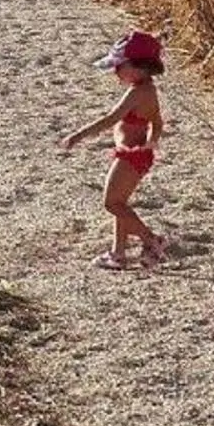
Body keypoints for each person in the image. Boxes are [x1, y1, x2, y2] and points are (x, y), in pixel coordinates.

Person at [59, 30, 168, 269]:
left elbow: (111, 118)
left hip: (130, 156)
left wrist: (78, 135)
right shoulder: (149, 89)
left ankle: (151, 240)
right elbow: (157, 122)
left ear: (137, 66)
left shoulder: (138, 92)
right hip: (136, 154)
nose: (115, 72)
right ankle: (117, 254)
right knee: (121, 202)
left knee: (111, 203)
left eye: (119, 66)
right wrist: (152, 142)